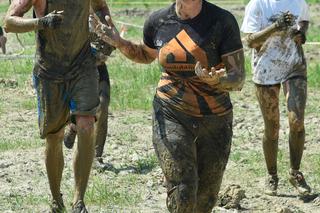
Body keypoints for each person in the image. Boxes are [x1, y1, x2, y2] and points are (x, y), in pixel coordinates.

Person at [91, 0, 245, 212]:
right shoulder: (158, 21)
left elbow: (238, 78)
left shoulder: (222, 21)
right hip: (171, 112)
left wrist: (218, 81)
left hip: (215, 117)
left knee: (206, 198)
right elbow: (146, 55)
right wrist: (119, 42)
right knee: (182, 189)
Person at [4, 0, 112, 212]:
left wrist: (107, 27)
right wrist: (42, 22)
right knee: (54, 137)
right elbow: (8, 22)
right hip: (49, 71)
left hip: (83, 66)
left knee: (86, 125)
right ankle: (56, 199)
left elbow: (101, 6)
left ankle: (79, 201)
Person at [241, 0, 311, 196]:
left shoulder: (298, 2)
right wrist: (276, 26)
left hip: (294, 66)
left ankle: (295, 173)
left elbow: (304, 20)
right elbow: (250, 41)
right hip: (266, 69)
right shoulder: (258, 4)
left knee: (296, 121)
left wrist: (301, 33)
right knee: (272, 128)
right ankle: (272, 175)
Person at [64, 19, 114, 170]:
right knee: (77, 108)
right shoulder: (70, 10)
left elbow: (111, 42)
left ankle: (96, 156)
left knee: (102, 105)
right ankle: (73, 127)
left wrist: (108, 39)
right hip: (74, 67)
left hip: (98, 66)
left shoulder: (100, 12)